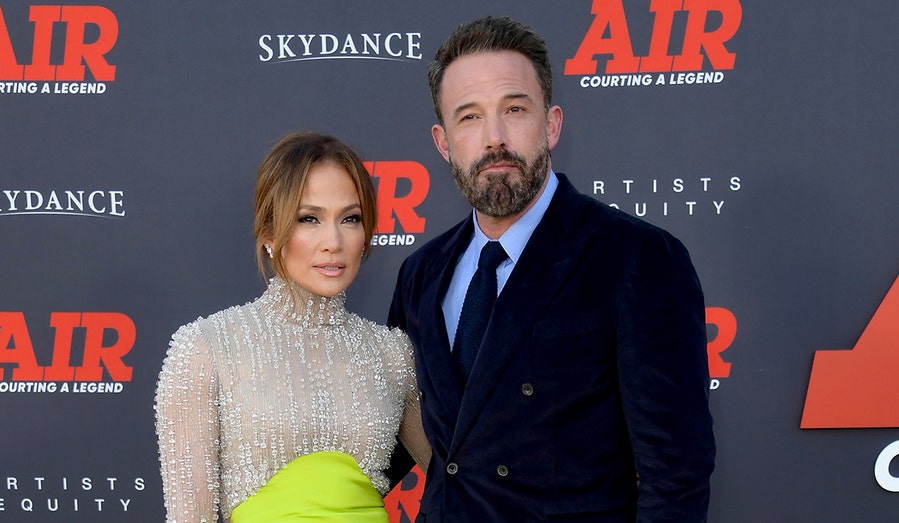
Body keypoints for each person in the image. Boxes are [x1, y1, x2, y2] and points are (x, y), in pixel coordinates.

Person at [388, 16, 715, 522]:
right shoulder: (421, 274)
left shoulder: (636, 259)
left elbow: (675, 473)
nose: (494, 138)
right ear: (443, 141)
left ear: (552, 124)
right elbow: (394, 436)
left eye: (514, 109)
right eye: (469, 117)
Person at [155, 131, 430, 522]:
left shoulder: (390, 353)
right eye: (309, 219)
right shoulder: (208, 348)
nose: (333, 241)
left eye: (350, 218)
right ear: (270, 232)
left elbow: (459, 475)